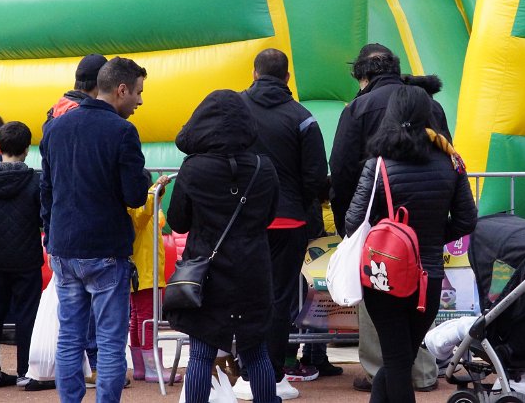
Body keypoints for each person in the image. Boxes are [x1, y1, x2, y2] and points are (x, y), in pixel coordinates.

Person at [344, 85, 478, 403]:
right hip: (427, 278)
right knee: (399, 360)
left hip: (384, 276)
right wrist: (426, 238)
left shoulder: (377, 164)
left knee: (396, 362)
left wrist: (393, 236)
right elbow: (466, 220)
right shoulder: (451, 160)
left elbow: (353, 221)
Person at [329, 43, 445, 392]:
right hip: (425, 229)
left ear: (363, 75)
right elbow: (447, 155)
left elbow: (342, 168)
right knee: (418, 308)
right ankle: (421, 372)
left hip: (378, 231)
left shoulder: (359, 109)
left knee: (382, 311)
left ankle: (383, 372)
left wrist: (349, 225)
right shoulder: (430, 106)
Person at [40, 56, 151, 402]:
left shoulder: (56, 127)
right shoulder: (122, 131)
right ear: (121, 90)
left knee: (70, 337)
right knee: (109, 341)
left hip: (63, 245)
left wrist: (50, 231)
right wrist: (144, 178)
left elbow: (46, 189)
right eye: (137, 92)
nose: (140, 101)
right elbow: (135, 194)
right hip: (105, 248)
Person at [164, 90, 281, 403]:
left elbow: (179, 221)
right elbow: (269, 215)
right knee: (255, 351)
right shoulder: (263, 166)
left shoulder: (193, 168)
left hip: (207, 270)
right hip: (253, 268)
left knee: (201, 352)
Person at [231, 49, 328, 397]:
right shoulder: (303, 118)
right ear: (287, 78)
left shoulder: (236, 108)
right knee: (280, 298)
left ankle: (245, 370)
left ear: (255, 73)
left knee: (245, 293)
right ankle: (270, 373)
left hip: (243, 219)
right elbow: (316, 176)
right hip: (289, 221)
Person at [43, 52, 108, 386]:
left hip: (62, 231)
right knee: (99, 316)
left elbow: (47, 183)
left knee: (69, 327)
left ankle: (70, 390)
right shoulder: (88, 116)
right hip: (92, 232)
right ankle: (98, 366)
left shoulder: (54, 112)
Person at [0, 121, 43, 388]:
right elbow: (41, 217)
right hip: (27, 256)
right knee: (27, 314)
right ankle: (25, 370)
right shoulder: (35, 181)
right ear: (27, 149)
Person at [126, 178, 179, 384]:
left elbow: (155, 213)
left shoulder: (141, 210)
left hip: (143, 271)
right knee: (147, 319)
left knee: (138, 318)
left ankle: (141, 366)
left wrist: (156, 191)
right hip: (144, 271)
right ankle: (151, 366)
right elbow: (145, 211)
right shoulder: (136, 209)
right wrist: (156, 188)